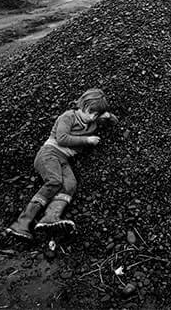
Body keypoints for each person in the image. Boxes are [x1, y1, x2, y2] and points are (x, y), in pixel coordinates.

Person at [6, 88, 119, 240]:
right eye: (91, 112)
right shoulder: (68, 117)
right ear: (83, 106)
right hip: (49, 153)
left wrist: (108, 115)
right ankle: (21, 223)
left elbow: (113, 121)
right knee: (54, 181)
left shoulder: (93, 122)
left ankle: (50, 217)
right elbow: (62, 138)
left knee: (71, 184)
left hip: (64, 159)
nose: (93, 117)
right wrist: (86, 140)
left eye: (97, 114)